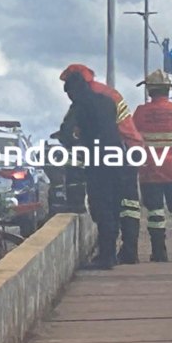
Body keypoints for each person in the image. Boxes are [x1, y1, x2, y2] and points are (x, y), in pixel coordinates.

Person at [60, 63, 142, 264]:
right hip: (122, 156)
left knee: (102, 205)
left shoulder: (79, 104)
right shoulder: (109, 99)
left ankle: (107, 255)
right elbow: (124, 128)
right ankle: (126, 252)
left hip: (98, 160)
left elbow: (65, 133)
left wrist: (76, 142)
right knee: (121, 205)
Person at [134, 70, 172, 261]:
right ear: (168, 90)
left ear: (149, 90)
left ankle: (159, 253)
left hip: (150, 170)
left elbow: (134, 133)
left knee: (155, 213)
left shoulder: (140, 112)